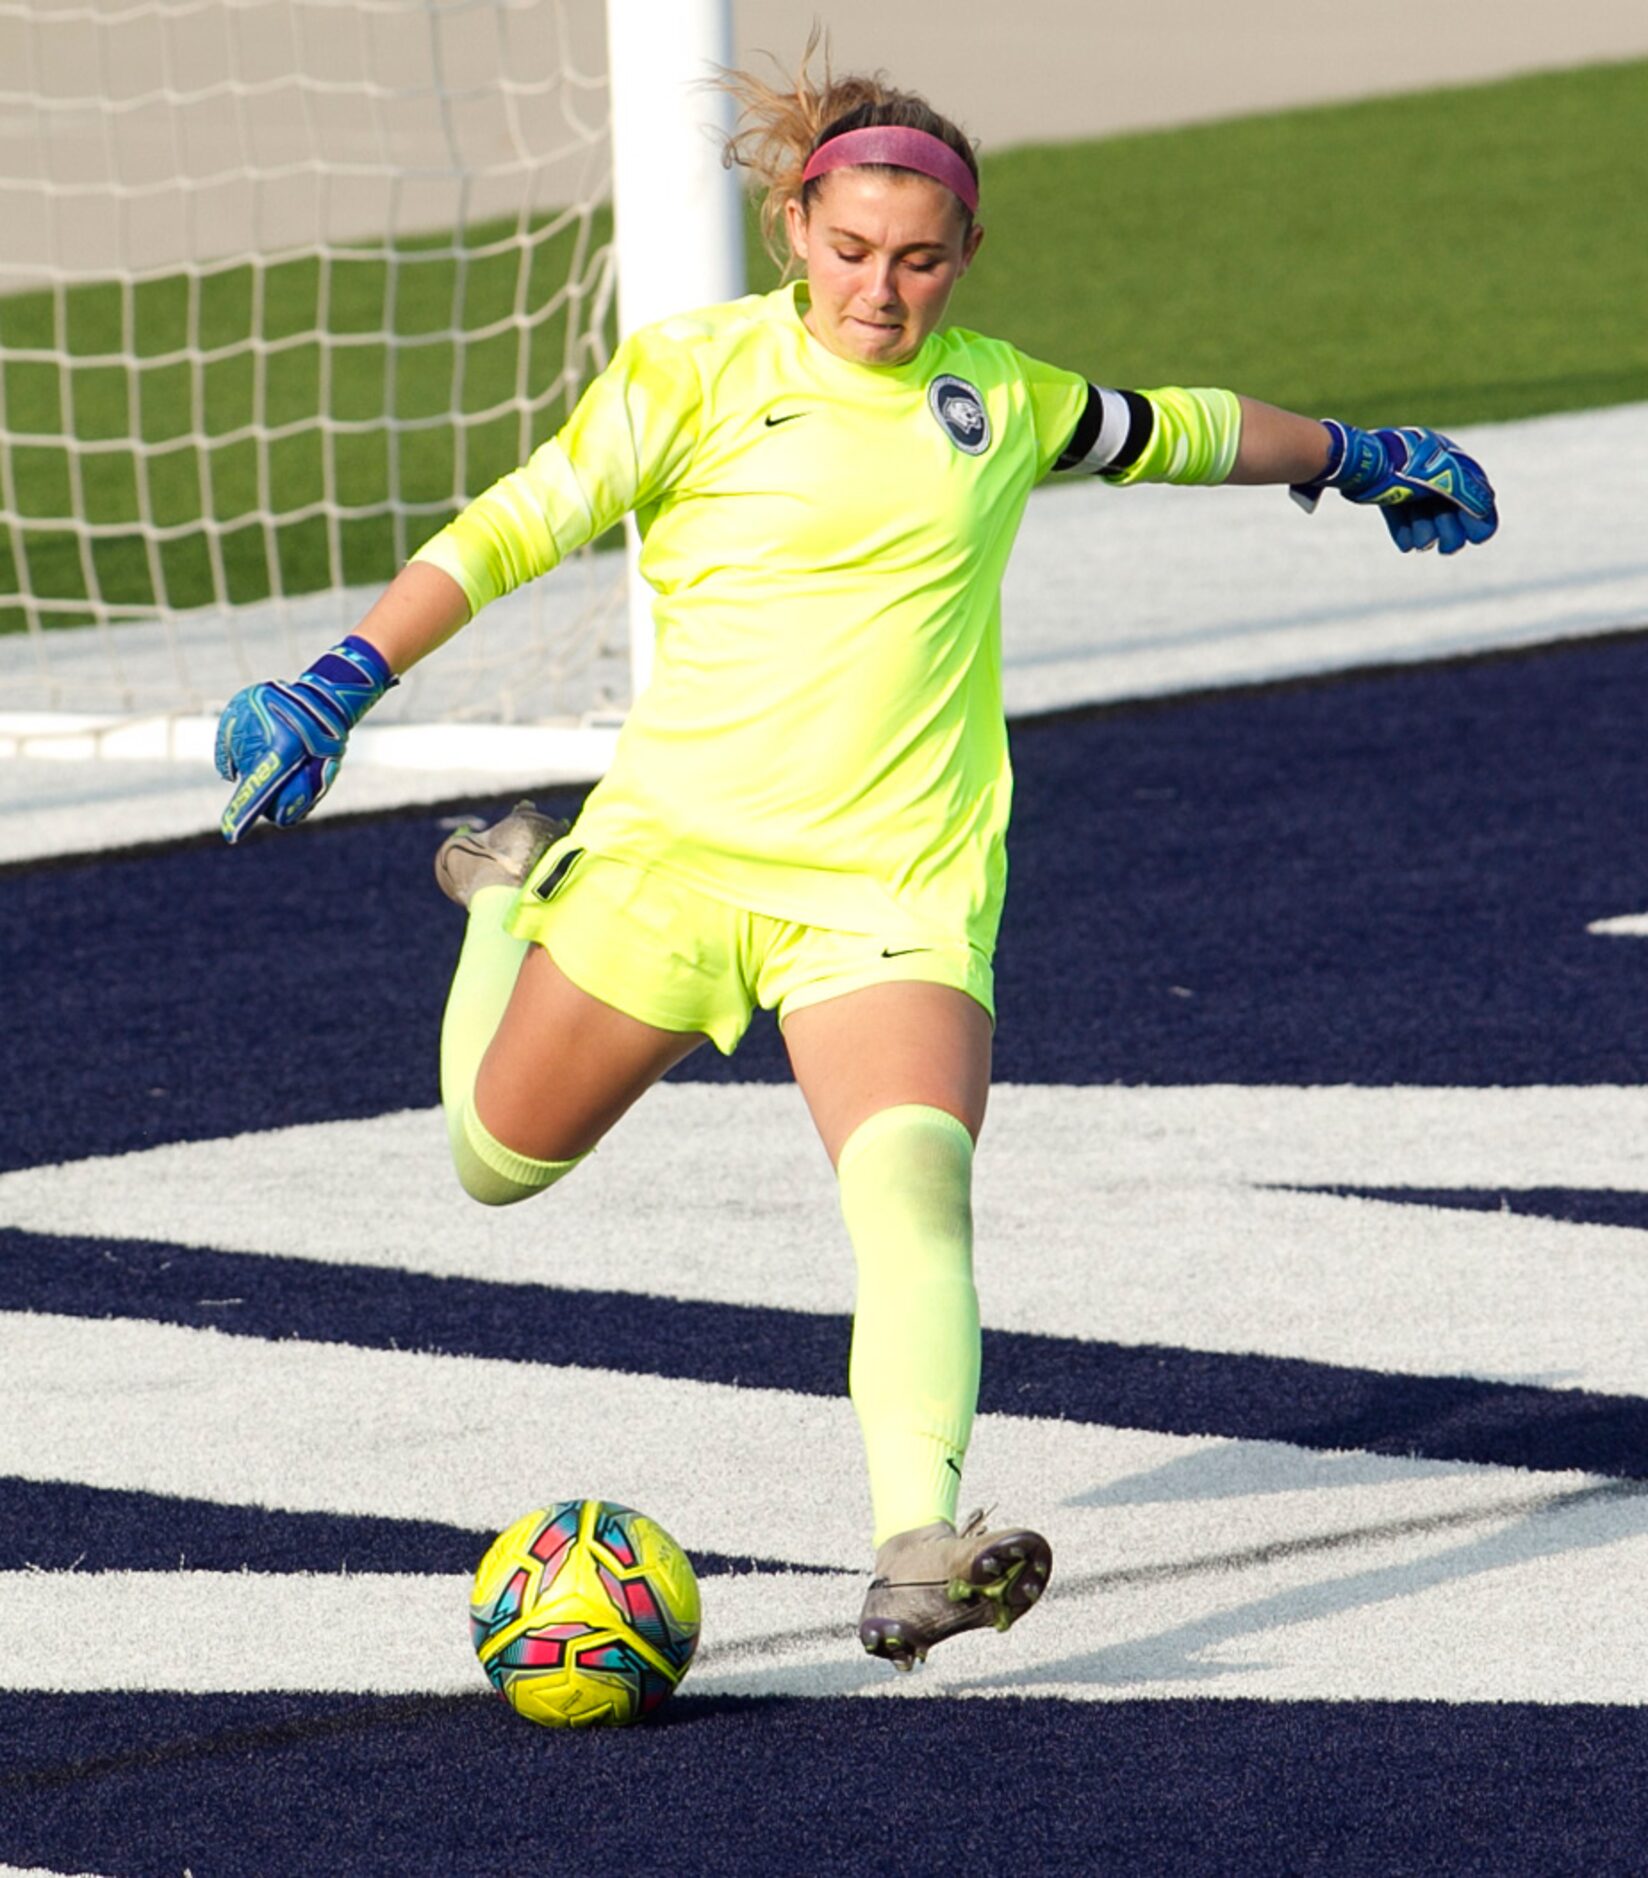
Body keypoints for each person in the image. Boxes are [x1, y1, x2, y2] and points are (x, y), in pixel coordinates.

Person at [215, 44, 1498, 1673]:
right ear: (794, 229)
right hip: (674, 863)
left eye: (917, 259)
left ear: (960, 260)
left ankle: (917, 1545)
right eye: (849, 250)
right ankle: (509, 898)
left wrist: (1358, 454)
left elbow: (1177, 425)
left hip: (890, 890)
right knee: (495, 1159)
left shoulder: (1002, 399)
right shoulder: (689, 373)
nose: (879, 291)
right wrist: (341, 679)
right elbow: (510, 528)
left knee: (913, 1188)